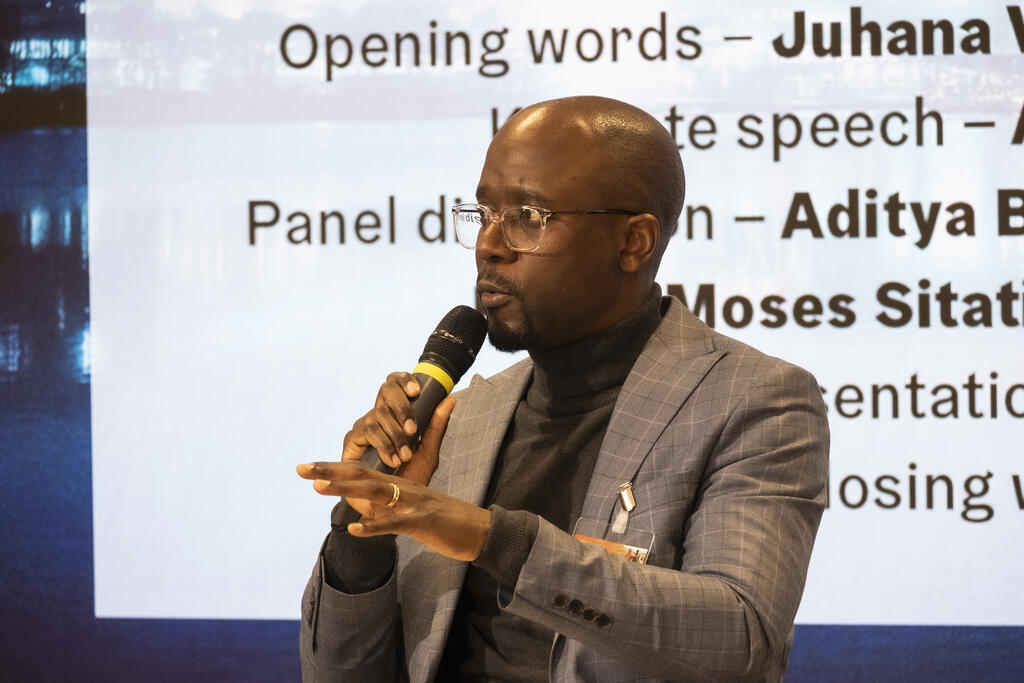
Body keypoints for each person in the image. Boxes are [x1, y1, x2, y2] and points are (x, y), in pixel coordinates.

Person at [297, 96, 829, 682]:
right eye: (483, 212)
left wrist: (489, 537)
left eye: (527, 216)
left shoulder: (754, 401)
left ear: (633, 242)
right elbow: (336, 674)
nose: (488, 244)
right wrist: (362, 528)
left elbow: (739, 640)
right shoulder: (460, 418)